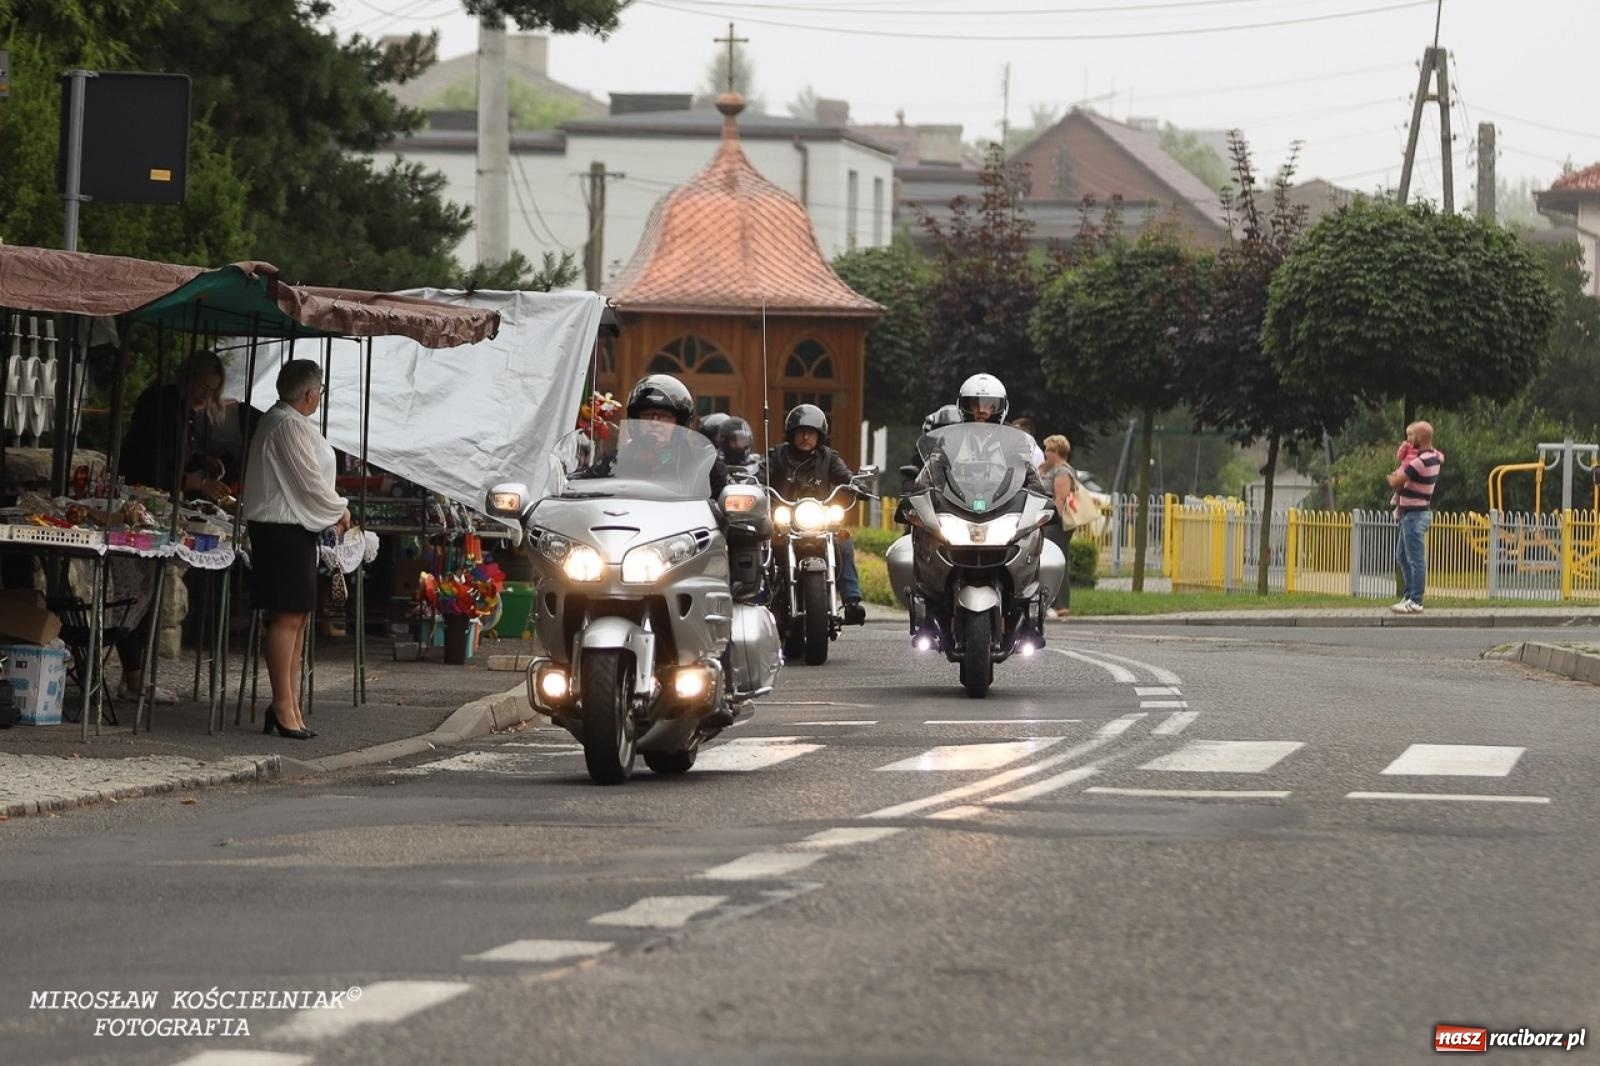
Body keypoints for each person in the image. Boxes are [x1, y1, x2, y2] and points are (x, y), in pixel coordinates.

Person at [113, 350, 231, 704]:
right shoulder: (161, 405)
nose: (204, 395)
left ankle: (134, 676)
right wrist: (195, 482)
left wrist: (201, 461)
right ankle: (134, 677)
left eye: (211, 390)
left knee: (147, 592)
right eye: (201, 386)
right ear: (187, 377)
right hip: (137, 506)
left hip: (157, 506)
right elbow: (154, 463)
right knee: (134, 593)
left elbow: (175, 455)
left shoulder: (184, 412)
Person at [242, 360, 351, 739]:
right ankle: (282, 704)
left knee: (298, 616)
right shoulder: (284, 424)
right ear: (309, 394)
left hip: (293, 528)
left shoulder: (289, 421)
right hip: (280, 528)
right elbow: (308, 482)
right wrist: (339, 508)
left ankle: (289, 702)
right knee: (287, 616)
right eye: (319, 391)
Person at [765, 403, 865, 622]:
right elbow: (764, 475)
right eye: (801, 432)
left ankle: (851, 601)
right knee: (764, 545)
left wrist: (857, 485)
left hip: (821, 521)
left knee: (843, 542)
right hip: (786, 523)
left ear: (820, 435)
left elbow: (844, 475)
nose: (805, 437)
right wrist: (754, 485)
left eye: (810, 433)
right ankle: (761, 598)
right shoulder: (778, 456)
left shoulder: (828, 457)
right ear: (791, 434)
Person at [605, 374, 728, 499]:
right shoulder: (615, 460)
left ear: (679, 423)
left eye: (665, 416)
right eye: (647, 415)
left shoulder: (702, 464)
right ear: (636, 420)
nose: (655, 422)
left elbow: (726, 503)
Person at [1386, 420, 1444, 614]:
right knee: (1402, 555)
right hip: (1412, 513)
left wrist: (1391, 477)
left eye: (1413, 436)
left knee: (1415, 559)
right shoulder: (1433, 457)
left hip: (1414, 514)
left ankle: (1415, 600)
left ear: (1421, 437)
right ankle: (1409, 595)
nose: (1410, 439)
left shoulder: (1420, 462)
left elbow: (1397, 481)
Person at [1039, 434, 1077, 619]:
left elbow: (1060, 498)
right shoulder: (1051, 469)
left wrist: (1051, 520)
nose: (1045, 453)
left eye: (1048, 450)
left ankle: (1061, 604)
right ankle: (1055, 603)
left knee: (1056, 560)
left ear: (1057, 452)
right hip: (1051, 520)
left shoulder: (1062, 471)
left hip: (1056, 523)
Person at [717, 416, 762, 483]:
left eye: (745, 440)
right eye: (738, 440)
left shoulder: (756, 463)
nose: (744, 445)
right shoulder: (715, 464)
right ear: (724, 441)